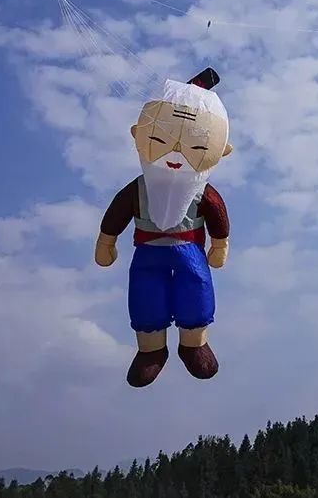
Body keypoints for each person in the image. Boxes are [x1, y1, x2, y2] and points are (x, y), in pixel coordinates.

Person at [95, 69, 234, 387]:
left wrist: (219, 244)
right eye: (160, 140)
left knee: (195, 289)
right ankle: (151, 349)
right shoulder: (139, 188)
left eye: (195, 148)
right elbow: (116, 214)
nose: (176, 154)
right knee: (146, 294)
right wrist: (107, 240)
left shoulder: (200, 191)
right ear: (138, 134)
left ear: (221, 149)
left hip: (188, 251)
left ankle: (193, 343)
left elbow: (217, 216)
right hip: (149, 252)